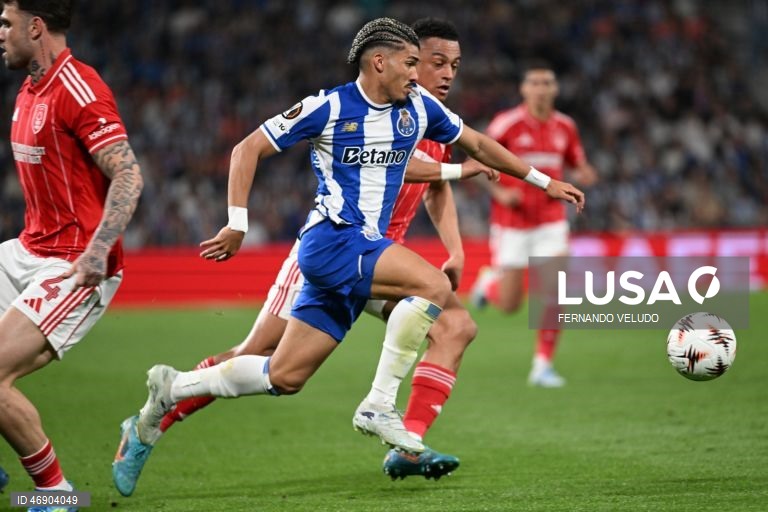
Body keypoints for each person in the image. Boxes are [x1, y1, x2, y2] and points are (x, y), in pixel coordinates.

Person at [113, 17, 583, 492]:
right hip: (332, 246)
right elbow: (257, 148)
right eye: (428, 62)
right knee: (257, 349)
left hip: (378, 256)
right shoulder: (337, 106)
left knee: (299, 373)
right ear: (388, 59)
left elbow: (457, 162)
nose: (437, 74)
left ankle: (404, 444)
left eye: (451, 66)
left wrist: (483, 224)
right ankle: (156, 423)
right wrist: (237, 222)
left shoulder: (422, 112)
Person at [0, 0, 143, 510]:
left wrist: (97, 252)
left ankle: (55, 496)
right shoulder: (28, 88)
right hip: (26, 250)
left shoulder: (79, 88)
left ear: (35, 26)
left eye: (6, 23)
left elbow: (128, 173)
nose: (0, 32)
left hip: (74, 264)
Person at [470, 60, 597, 387]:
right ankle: (489, 284)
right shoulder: (507, 124)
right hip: (512, 222)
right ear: (524, 89)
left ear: (555, 89)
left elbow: (577, 162)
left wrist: (584, 174)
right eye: (535, 83)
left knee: (554, 292)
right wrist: (500, 192)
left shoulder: (565, 126)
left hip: (551, 221)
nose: (541, 89)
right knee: (511, 305)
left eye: (547, 83)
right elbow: (476, 161)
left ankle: (542, 366)